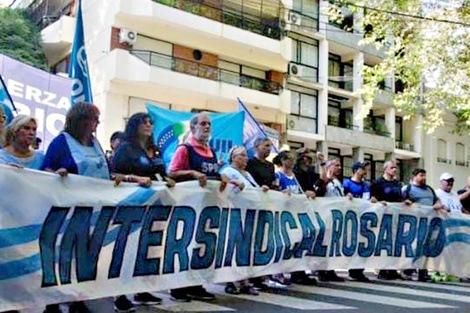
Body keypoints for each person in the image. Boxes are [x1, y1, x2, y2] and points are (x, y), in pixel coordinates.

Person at [112, 113, 175, 311]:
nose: (148, 126)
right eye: (143, 122)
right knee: (125, 249)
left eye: (150, 123)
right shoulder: (125, 148)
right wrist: (134, 178)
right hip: (130, 206)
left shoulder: (154, 149)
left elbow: (159, 173)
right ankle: (119, 295)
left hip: (153, 207)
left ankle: (141, 289)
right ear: (134, 126)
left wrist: (167, 180)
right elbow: (113, 174)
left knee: (145, 249)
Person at [168, 113, 228, 302]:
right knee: (185, 245)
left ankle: (196, 284)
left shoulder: (211, 151)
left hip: (207, 207)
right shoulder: (185, 149)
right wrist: (192, 173)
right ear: (193, 127)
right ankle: (178, 287)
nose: (207, 126)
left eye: (209, 123)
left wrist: (222, 178)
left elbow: (212, 175)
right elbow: (172, 172)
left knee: (201, 246)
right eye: (203, 123)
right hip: (188, 206)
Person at [220, 146, 262, 295]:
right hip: (234, 213)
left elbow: (254, 190)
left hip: (248, 214)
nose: (246, 158)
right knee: (232, 248)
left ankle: (244, 281)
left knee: (245, 249)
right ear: (233, 157)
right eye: (242, 155)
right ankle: (230, 281)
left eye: (246, 155)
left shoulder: (247, 174)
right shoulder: (227, 172)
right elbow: (225, 193)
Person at [402, 168, 442, 282]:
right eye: (421, 175)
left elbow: (437, 201)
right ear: (414, 177)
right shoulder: (407, 189)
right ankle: (407, 269)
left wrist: (438, 204)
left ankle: (422, 271)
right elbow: (400, 202)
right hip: (414, 223)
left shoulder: (430, 190)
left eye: (425, 175)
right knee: (413, 246)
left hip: (428, 223)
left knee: (426, 248)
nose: (424, 178)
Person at [313, 158, 349, 282]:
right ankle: (321, 270)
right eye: (336, 165)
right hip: (325, 216)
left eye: (340, 166)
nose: (339, 168)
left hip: (336, 217)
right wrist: (325, 181)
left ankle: (330, 269)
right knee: (324, 243)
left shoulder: (338, 182)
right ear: (329, 167)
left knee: (332, 244)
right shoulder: (323, 180)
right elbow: (318, 194)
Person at [370, 160, 404, 280]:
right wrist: (379, 203)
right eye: (392, 167)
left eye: (396, 168)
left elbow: (400, 198)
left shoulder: (397, 184)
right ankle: (382, 269)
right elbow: (372, 198)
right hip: (383, 216)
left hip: (395, 216)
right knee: (383, 242)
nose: (394, 170)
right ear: (385, 169)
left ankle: (392, 268)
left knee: (394, 242)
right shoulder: (378, 183)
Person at [343, 162, 371, 282]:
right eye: (361, 169)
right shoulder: (347, 183)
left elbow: (367, 199)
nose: (364, 171)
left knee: (362, 243)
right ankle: (352, 269)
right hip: (350, 218)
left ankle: (359, 270)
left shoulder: (366, 185)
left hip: (362, 218)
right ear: (355, 170)